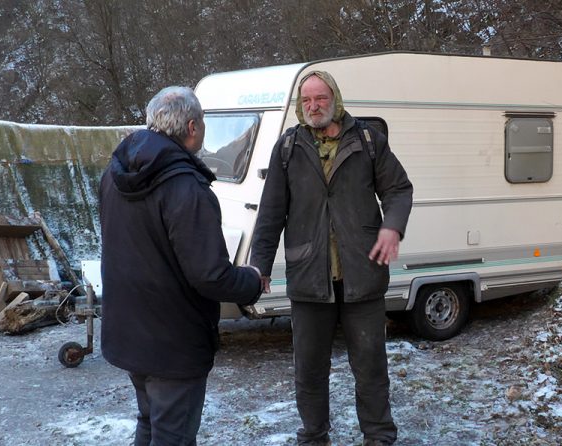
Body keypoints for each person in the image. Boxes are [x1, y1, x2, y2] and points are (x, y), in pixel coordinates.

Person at [251, 71, 413, 446]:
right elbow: (271, 212)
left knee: (371, 367)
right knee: (308, 370)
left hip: (363, 275)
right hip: (309, 278)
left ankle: (378, 436)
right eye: (306, 100)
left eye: (320, 98)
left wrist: (392, 226)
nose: (313, 106)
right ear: (298, 105)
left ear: (335, 98)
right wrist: (260, 264)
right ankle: (313, 437)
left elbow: (399, 189)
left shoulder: (368, 140)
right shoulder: (288, 148)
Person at [99, 86, 262, 446]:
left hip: (129, 332)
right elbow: (210, 275)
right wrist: (251, 281)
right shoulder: (187, 188)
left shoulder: (113, 175)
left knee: (151, 424)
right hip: (173, 341)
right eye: (202, 122)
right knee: (173, 436)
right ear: (192, 127)